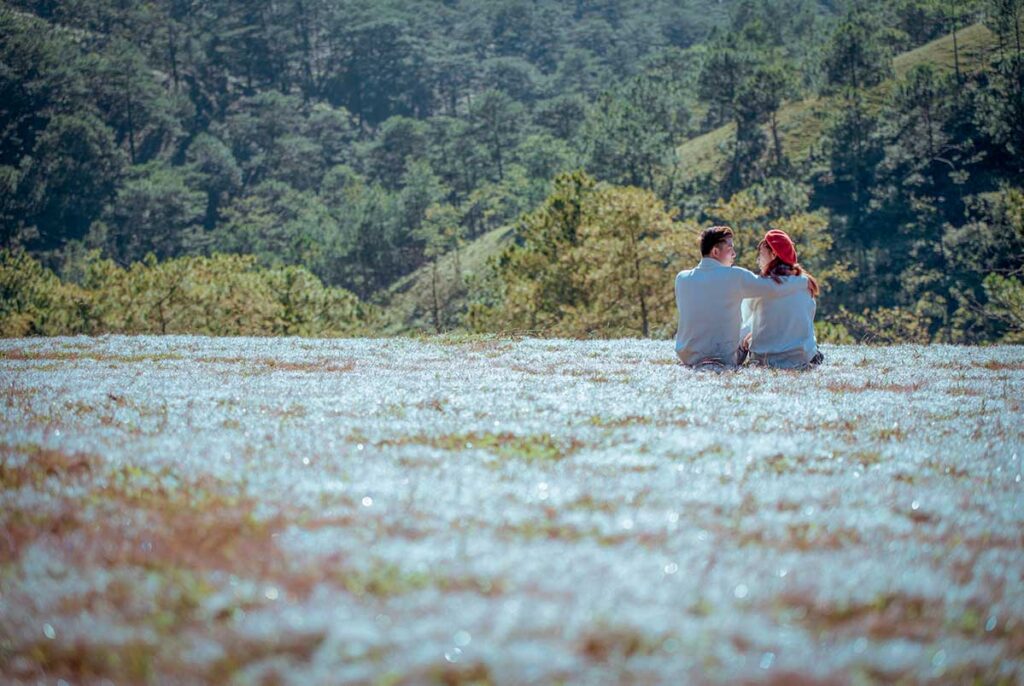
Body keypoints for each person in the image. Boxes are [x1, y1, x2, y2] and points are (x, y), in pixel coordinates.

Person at [674, 226, 809, 368]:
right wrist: (803, 280)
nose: (734, 254)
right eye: (730, 248)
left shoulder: (681, 278)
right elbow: (773, 287)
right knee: (746, 334)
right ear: (715, 251)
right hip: (723, 358)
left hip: (687, 357)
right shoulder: (735, 276)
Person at [740, 229, 823, 369]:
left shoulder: (759, 286)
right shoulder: (806, 284)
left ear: (773, 254)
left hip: (763, 359)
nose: (758, 260)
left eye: (761, 254)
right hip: (801, 356)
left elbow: (745, 321)